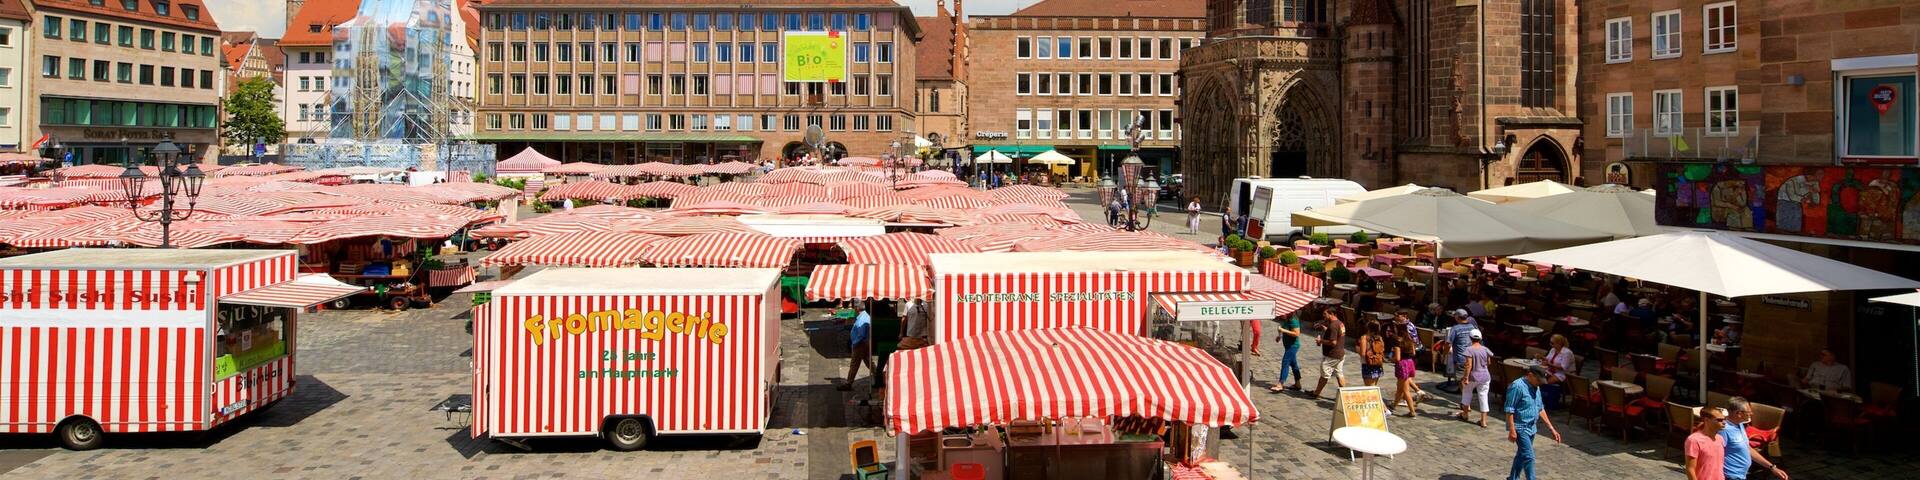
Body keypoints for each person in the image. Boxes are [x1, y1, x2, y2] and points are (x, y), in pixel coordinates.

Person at [1505, 365, 1563, 480]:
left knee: (1522, 455)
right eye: (1538, 380)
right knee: (1529, 457)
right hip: (1520, 427)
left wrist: (1552, 429)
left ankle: (1513, 478)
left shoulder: (1536, 387)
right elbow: (1509, 409)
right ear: (1530, 375)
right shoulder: (1517, 386)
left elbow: (1540, 408)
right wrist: (1512, 429)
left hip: (1532, 427)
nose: (1540, 383)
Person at [1723, 397, 1789, 480]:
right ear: (1739, 413)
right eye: (1749, 412)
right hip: (1730, 476)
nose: (1752, 414)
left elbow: (1747, 448)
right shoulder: (1723, 430)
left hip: (1741, 475)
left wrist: (1772, 467)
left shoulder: (1739, 424)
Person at [1458, 328, 1493, 427]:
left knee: (1467, 393)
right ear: (1480, 338)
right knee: (1483, 396)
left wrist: (1466, 377)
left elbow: (1468, 365)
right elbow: (1489, 362)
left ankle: (1465, 414)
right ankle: (1483, 421)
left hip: (1473, 376)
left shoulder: (1469, 350)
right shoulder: (1485, 349)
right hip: (1485, 376)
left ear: (1470, 338)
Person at [1435, 309, 1476, 393]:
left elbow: (1448, 344)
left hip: (1461, 358)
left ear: (1457, 317)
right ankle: (1466, 396)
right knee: (1467, 377)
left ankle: (1465, 399)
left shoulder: (1455, 328)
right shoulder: (1472, 327)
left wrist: (1444, 355)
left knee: (1461, 380)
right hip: (1471, 357)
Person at [839, 303, 876, 391]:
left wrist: (854, 344)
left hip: (860, 345)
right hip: (864, 343)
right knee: (869, 362)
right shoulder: (865, 316)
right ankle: (879, 377)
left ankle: (849, 383)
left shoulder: (862, 320)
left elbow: (861, 335)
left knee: (854, 364)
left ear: (857, 308)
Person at [1311, 310, 1347, 399]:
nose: (1323, 315)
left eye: (1325, 314)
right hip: (1340, 354)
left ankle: (1316, 393)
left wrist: (1320, 341)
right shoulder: (1340, 323)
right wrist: (1326, 329)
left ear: (1331, 314)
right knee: (1339, 374)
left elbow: (1333, 342)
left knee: (1324, 375)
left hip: (1332, 355)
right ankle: (1345, 396)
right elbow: (1337, 334)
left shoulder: (1333, 326)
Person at [1687, 407, 1730, 480]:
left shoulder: (1720, 439)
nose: (1724, 422)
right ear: (1706, 420)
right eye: (1719, 420)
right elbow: (1690, 469)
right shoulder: (1694, 440)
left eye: (1725, 419)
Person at [1268, 313, 1305, 393]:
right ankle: (1298, 384)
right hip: (1288, 346)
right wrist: (1279, 336)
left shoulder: (1294, 321)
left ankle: (1280, 384)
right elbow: (1284, 330)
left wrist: (1283, 330)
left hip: (1293, 346)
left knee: (1285, 362)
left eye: (1283, 314)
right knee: (1294, 365)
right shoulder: (1286, 320)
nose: (1281, 315)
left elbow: (1296, 333)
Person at [1391, 327, 1425, 416]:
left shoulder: (1398, 343)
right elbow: (1413, 353)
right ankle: (1393, 405)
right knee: (1400, 388)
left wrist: (1391, 359)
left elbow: (1397, 358)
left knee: (1405, 390)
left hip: (1402, 365)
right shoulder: (1410, 341)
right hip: (1410, 363)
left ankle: (1412, 411)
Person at [1358, 320, 1387, 387]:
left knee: (1369, 387)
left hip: (1367, 364)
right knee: (1374, 385)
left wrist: (1358, 349)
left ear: (1368, 328)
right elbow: (1382, 350)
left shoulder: (1364, 338)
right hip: (1378, 363)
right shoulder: (1380, 338)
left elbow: (1362, 354)